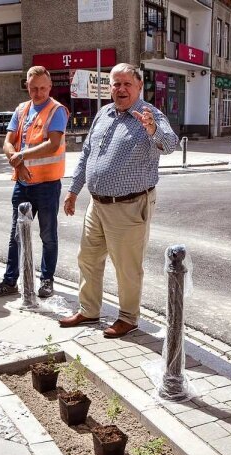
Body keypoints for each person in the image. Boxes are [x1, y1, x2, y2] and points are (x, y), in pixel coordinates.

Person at [59, 63, 178, 339]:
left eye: (127, 84)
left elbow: (171, 145)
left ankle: (128, 317)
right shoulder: (104, 113)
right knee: (88, 258)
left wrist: (153, 131)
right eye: (116, 84)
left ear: (139, 86)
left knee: (126, 267)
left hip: (129, 205)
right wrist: (74, 190)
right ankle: (89, 310)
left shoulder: (151, 115)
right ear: (109, 86)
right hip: (97, 204)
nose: (121, 89)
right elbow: (87, 153)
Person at [0, 66, 69, 299]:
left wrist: (21, 156)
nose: (38, 93)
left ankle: (47, 280)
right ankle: (10, 281)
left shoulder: (57, 110)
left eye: (42, 88)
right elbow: (8, 142)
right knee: (16, 236)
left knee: (48, 235)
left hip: (48, 184)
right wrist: (16, 160)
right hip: (22, 183)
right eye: (33, 89)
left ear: (50, 87)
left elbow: (52, 144)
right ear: (27, 87)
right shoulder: (22, 109)